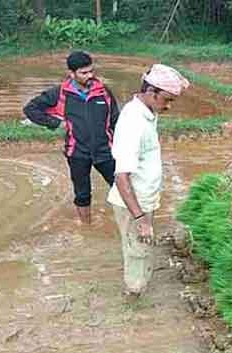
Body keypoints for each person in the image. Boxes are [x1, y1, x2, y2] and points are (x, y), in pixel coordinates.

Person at [107, 64, 189, 297]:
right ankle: (134, 297)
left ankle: (140, 284)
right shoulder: (133, 122)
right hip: (133, 205)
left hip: (144, 201)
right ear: (151, 91)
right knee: (136, 251)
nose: (169, 107)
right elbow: (121, 177)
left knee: (141, 247)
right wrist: (141, 218)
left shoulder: (148, 113)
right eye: (167, 100)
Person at [23, 51, 119, 225]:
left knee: (121, 187)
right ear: (71, 73)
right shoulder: (59, 93)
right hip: (77, 153)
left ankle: (128, 221)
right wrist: (56, 123)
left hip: (105, 151)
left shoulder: (104, 92)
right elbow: (30, 109)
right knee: (82, 194)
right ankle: (87, 227)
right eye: (84, 73)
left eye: (91, 71)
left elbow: (115, 120)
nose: (90, 75)